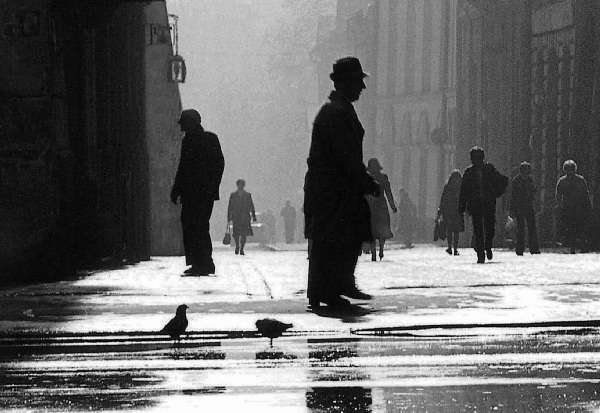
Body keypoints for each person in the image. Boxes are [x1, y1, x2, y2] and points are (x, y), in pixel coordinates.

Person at [303, 56, 380, 310]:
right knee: (334, 237)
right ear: (345, 83)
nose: (362, 87)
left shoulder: (337, 109)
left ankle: (335, 286)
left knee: (338, 236)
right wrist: (367, 183)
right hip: (333, 189)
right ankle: (329, 289)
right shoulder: (336, 113)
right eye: (358, 81)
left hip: (333, 187)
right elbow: (346, 156)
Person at [171, 109, 224, 276]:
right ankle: (203, 262)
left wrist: (176, 189)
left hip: (193, 193)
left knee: (193, 227)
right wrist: (212, 188)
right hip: (203, 194)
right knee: (200, 227)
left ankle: (200, 263)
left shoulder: (191, 141)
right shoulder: (210, 138)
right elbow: (219, 164)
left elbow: (184, 167)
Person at [459, 146, 508, 263]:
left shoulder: (489, 169)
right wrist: (462, 207)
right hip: (475, 205)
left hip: (488, 203)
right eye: (473, 158)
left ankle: (488, 246)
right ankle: (481, 254)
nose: (475, 161)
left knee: (490, 228)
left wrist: (497, 192)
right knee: (478, 230)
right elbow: (464, 191)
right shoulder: (469, 173)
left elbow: (503, 180)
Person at [556, 160, 592, 254]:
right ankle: (573, 246)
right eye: (568, 169)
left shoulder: (579, 180)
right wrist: (559, 206)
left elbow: (585, 194)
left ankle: (582, 245)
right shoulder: (563, 181)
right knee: (572, 227)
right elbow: (558, 195)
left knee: (580, 227)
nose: (570, 171)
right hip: (569, 208)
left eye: (571, 169)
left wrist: (588, 206)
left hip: (579, 207)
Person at [366, 158, 397, 261]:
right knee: (382, 229)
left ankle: (374, 252)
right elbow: (388, 192)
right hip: (381, 206)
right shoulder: (383, 177)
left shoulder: (368, 178)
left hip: (371, 206)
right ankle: (381, 250)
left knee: (372, 230)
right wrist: (392, 206)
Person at [509, 162, 540, 255]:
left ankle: (534, 248)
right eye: (526, 171)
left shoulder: (530, 179)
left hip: (529, 206)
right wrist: (512, 210)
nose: (527, 173)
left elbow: (533, 192)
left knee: (532, 228)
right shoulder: (516, 181)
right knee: (520, 229)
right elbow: (513, 196)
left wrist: (536, 203)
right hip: (519, 207)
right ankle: (519, 249)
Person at [227, 179, 257, 255]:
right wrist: (229, 217)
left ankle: (242, 248)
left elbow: (251, 205)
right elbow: (230, 206)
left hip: (245, 217)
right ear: (237, 185)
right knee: (236, 233)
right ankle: (237, 245)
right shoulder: (233, 195)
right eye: (239, 184)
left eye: (241, 184)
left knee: (244, 234)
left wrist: (254, 216)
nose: (240, 186)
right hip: (236, 217)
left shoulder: (247, 195)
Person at [438, 170, 464, 256]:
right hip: (455, 211)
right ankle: (454, 248)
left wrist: (440, 210)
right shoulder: (460, 187)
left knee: (451, 230)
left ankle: (451, 247)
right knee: (455, 231)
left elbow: (443, 199)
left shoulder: (448, 187)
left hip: (449, 211)